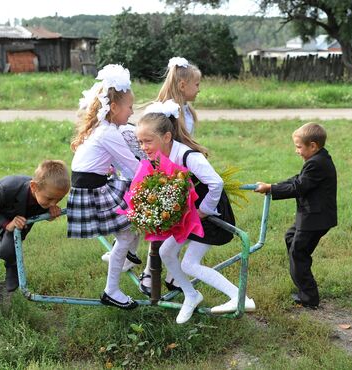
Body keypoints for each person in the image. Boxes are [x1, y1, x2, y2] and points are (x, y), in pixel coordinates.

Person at [135, 101, 256, 324]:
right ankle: (191, 295)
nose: (143, 146)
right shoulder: (161, 156)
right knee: (166, 253)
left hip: (211, 216)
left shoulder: (190, 157)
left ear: (167, 137)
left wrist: (204, 210)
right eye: (140, 142)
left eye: (147, 141)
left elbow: (216, 183)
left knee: (189, 264)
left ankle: (241, 297)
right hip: (191, 216)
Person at [68, 64, 141, 310]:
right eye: (130, 107)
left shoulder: (103, 127)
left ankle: (126, 256)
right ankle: (111, 289)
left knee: (133, 219)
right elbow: (132, 168)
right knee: (129, 228)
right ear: (115, 107)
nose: (132, 112)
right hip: (92, 192)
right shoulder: (108, 133)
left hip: (93, 185)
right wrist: (159, 178)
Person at [255, 122, 337, 309]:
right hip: (311, 216)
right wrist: (272, 185)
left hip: (315, 219)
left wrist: (271, 189)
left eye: (299, 147)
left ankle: (309, 298)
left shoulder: (317, 164)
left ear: (313, 146)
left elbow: (298, 187)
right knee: (291, 238)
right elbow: (298, 180)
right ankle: (305, 291)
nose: (296, 151)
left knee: (298, 253)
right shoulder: (318, 159)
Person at [138, 56, 203, 296]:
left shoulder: (186, 110)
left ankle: (172, 273)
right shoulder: (163, 111)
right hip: (165, 174)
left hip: (181, 171)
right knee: (163, 224)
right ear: (183, 85)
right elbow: (151, 141)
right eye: (196, 85)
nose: (199, 89)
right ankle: (149, 272)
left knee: (180, 223)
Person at [0, 160, 69, 292]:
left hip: (20, 223)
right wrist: (6, 224)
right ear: (34, 187)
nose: (53, 203)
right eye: (50, 199)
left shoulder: (45, 195)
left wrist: (50, 214)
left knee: (7, 250)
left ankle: (12, 268)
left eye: (58, 200)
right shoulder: (6, 187)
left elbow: (43, 208)